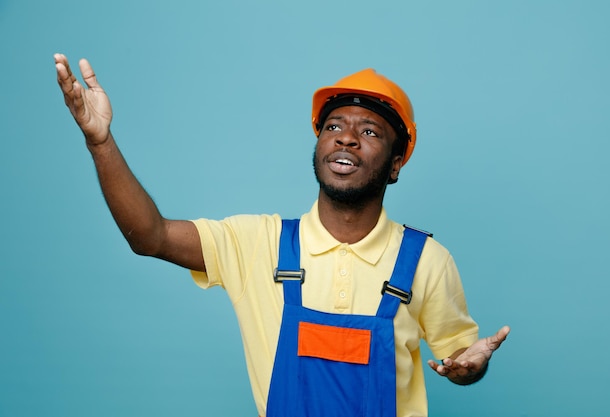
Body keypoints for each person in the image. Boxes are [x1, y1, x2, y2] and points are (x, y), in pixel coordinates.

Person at [54, 53, 510, 417]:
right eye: (334, 126)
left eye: (368, 131)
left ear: (395, 164)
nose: (346, 138)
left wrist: (469, 367)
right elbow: (149, 236)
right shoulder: (257, 244)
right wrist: (100, 142)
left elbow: (458, 359)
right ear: (318, 146)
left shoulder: (426, 260)